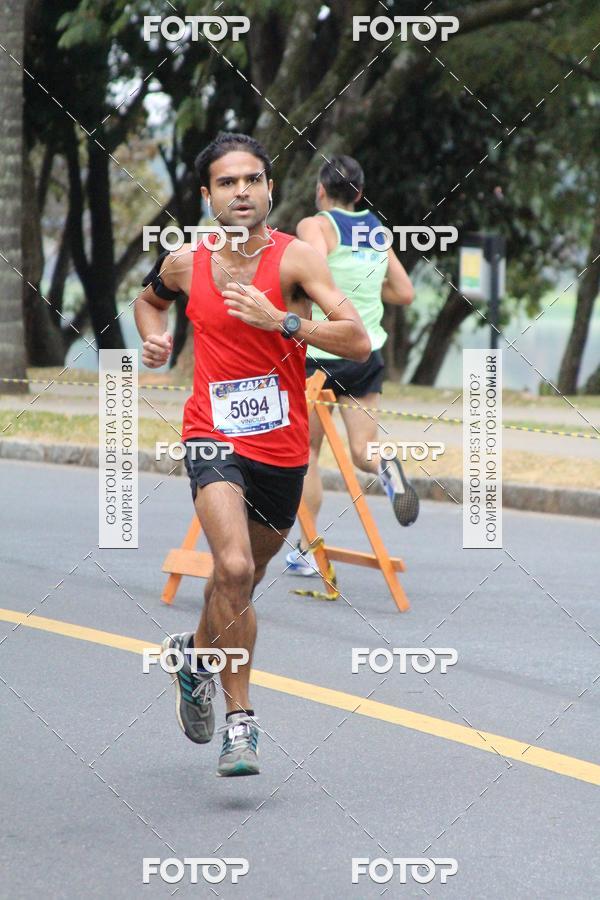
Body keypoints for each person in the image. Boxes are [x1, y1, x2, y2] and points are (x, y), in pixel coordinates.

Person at [134, 133, 370, 776]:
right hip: (211, 434)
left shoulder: (296, 260)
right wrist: (155, 340)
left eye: (253, 180)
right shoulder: (186, 261)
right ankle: (241, 722)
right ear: (206, 195)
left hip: (283, 447)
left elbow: (357, 340)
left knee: (241, 581)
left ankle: (194, 655)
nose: (241, 191)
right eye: (227, 182)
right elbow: (148, 301)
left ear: (270, 188)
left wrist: (283, 321)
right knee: (232, 566)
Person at [285, 155, 418, 578]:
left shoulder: (316, 225)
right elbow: (405, 292)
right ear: (359, 194)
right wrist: (366, 294)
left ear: (320, 190)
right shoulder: (376, 230)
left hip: (321, 356)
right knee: (363, 450)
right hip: (366, 356)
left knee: (307, 453)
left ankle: (306, 550)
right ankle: (387, 469)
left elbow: (310, 271)